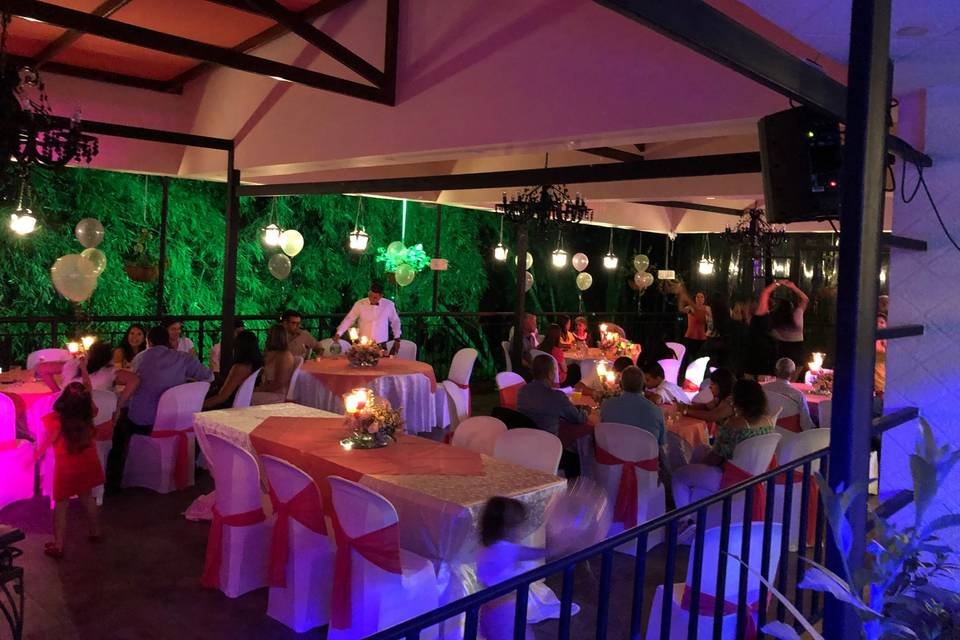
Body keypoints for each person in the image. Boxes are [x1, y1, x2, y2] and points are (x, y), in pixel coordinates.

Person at [105, 325, 212, 493]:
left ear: (149, 341)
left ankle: (114, 479)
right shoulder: (183, 358)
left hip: (144, 422)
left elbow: (133, 381)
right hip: (178, 422)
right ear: (168, 340)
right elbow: (208, 376)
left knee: (119, 426)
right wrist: (184, 381)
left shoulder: (141, 358)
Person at [671, 380, 775, 509]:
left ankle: (685, 517)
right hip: (756, 475)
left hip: (729, 478)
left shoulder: (735, 424)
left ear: (738, 399)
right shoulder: (768, 421)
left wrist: (696, 466)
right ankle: (696, 497)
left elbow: (714, 459)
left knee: (678, 475)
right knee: (701, 449)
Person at [35, 374, 103, 558]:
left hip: (67, 470)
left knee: (61, 505)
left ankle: (58, 545)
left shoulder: (55, 420)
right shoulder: (89, 415)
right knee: (87, 498)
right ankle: (96, 532)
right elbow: (89, 393)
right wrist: (84, 370)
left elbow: (47, 442)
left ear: (63, 400)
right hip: (88, 464)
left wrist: (34, 456)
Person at [477, 497, 547, 640]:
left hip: (488, 609)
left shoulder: (488, 548)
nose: (523, 530)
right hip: (505, 612)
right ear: (507, 529)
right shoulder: (505, 550)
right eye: (520, 526)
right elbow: (537, 553)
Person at [517, 355, 588, 476]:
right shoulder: (556, 397)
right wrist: (586, 411)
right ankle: (567, 485)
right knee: (578, 460)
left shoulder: (522, 391)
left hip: (525, 444)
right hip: (548, 449)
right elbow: (578, 419)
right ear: (550, 374)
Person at [600, 366, 665, 445]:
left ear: (621, 384)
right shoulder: (656, 411)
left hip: (612, 451)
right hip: (644, 453)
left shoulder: (606, 406)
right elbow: (662, 443)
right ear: (643, 385)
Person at [334, 282, 402, 356]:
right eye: (370, 296)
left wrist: (397, 338)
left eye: (375, 297)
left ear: (381, 296)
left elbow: (395, 321)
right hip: (363, 343)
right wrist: (339, 332)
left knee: (382, 363)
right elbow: (349, 319)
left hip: (380, 344)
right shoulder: (360, 304)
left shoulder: (388, 305)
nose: (371, 299)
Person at [203, 330, 263, 410]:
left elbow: (222, 397)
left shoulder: (240, 367)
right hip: (245, 403)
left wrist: (199, 405)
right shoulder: (259, 365)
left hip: (230, 405)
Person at [768, 280, 808, 376]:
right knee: (793, 379)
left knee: (781, 377)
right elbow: (805, 299)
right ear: (791, 308)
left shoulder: (775, 321)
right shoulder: (797, 315)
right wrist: (793, 287)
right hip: (797, 349)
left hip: (782, 350)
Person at [762, 358, 815, 431]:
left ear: (775, 371)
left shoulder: (763, 389)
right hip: (792, 435)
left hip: (767, 430)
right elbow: (806, 424)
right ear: (793, 373)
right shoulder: (798, 395)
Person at [252, 324, 296, 405]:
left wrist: (262, 389)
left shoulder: (285, 356)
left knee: (247, 397)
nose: (267, 338)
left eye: (269, 335)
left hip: (278, 394)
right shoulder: (272, 353)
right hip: (269, 390)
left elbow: (279, 382)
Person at [741, 282, 779, 379]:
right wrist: (778, 283)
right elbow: (765, 292)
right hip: (762, 350)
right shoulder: (761, 315)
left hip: (751, 349)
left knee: (749, 379)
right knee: (763, 380)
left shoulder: (752, 319)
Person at [677, 284, 711, 376]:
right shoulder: (690, 307)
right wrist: (682, 297)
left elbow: (710, 320)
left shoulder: (707, 308)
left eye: (701, 297)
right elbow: (681, 309)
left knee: (700, 358)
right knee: (688, 357)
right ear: (695, 298)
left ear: (704, 299)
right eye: (698, 297)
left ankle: (700, 374)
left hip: (702, 337)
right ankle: (685, 374)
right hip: (690, 336)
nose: (699, 299)